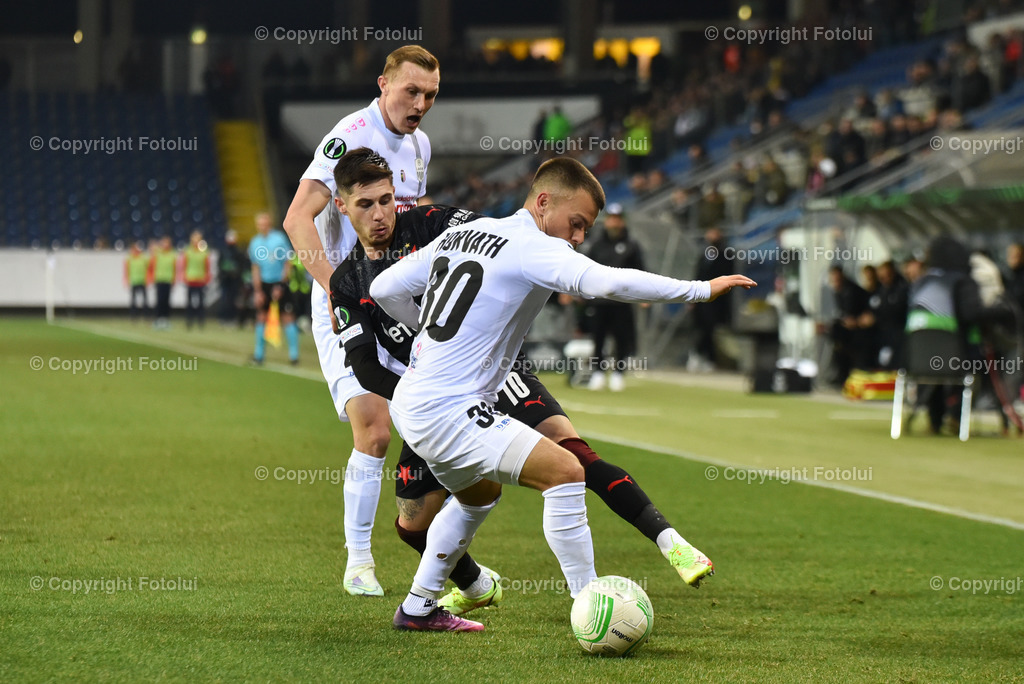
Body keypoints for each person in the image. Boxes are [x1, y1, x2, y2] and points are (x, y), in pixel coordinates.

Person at [329, 149, 715, 624]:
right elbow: (609, 283)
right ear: (543, 203)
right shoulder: (530, 246)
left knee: (479, 495)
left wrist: (426, 333)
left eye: (585, 231)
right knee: (567, 471)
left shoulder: (465, 230)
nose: (576, 238)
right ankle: (591, 607)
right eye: (576, 224)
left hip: (419, 397)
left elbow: (387, 287)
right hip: (450, 404)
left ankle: (418, 607)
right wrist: (700, 289)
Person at [281, 45, 439, 596]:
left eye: (430, 96)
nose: (420, 104)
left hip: (400, 303)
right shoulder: (348, 136)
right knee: (374, 431)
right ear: (383, 84)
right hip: (346, 303)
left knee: (441, 424)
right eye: (411, 92)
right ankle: (358, 563)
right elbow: (297, 218)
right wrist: (335, 290)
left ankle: (453, 564)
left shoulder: (419, 146)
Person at [583, 203, 645, 391]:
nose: (614, 222)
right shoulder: (596, 245)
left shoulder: (632, 245)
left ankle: (619, 372)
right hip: (600, 301)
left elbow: (640, 271)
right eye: (611, 218)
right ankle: (598, 372)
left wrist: (644, 294)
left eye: (618, 219)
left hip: (622, 301)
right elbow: (587, 270)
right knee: (598, 338)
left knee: (622, 338)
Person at [248, 212, 299, 365]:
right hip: (264, 284)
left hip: (279, 283)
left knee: (287, 317)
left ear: (269, 223)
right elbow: (255, 267)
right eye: (259, 224)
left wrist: (281, 285)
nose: (262, 226)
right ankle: (259, 355)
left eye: (264, 223)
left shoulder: (279, 239)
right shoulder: (255, 242)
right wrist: (258, 291)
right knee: (261, 317)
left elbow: (288, 262)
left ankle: (294, 356)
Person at [181, 230, 211, 330]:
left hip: (200, 281)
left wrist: (206, 277)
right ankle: (189, 322)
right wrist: (185, 276)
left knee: (201, 303)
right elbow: (185, 265)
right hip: (191, 280)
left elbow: (207, 266)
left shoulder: (204, 252)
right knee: (189, 303)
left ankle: (201, 322)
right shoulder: (188, 251)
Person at [217, 229, 245, 326]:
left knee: (233, 299)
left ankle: (232, 318)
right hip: (225, 280)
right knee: (225, 299)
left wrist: (236, 274)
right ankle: (224, 318)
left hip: (234, 280)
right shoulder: (224, 251)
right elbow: (219, 265)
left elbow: (241, 266)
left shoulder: (238, 252)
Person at [150, 235, 177, 329]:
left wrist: (174, 279)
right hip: (159, 279)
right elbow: (152, 246)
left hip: (168, 280)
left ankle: (166, 319)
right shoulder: (158, 253)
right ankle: (158, 319)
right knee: (159, 301)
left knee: (167, 301)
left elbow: (174, 268)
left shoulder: (172, 254)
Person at [124, 240, 151, 322]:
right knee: (133, 301)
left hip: (142, 281)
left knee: (145, 301)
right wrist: (127, 280)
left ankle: (146, 316)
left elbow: (148, 269)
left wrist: (148, 279)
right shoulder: (129, 258)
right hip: (134, 281)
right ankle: (133, 316)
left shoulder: (143, 257)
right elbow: (127, 270)